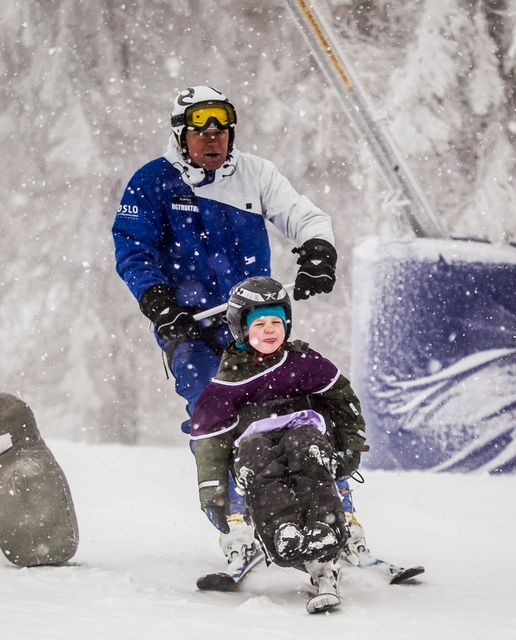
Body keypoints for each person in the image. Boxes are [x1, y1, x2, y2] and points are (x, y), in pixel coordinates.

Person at [112, 85, 364, 568]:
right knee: (218, 419)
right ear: (181, 135)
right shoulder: (152, 182)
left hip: (251, 324)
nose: (213, 140)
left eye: (221, 131)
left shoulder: (255, 174)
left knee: (300, 410)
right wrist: (161, 302)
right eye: (201, 131)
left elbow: (303, 214)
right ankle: (240, 527)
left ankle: (341, 522)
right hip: (189, 330)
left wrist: (317, 249)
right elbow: (132, 248)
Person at [190, 277, 367, 609]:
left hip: (306, 437)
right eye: (260, 324)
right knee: (260, 459)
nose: (270, 330)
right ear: (241, 329)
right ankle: (282, 531)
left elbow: (343, 399)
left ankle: (323, 540)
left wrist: (352, 445)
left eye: (277, 322)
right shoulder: (229, 381)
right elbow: (210, 441)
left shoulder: (303, 362)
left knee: (306, 450)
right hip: (255, 449)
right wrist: (213, 494)